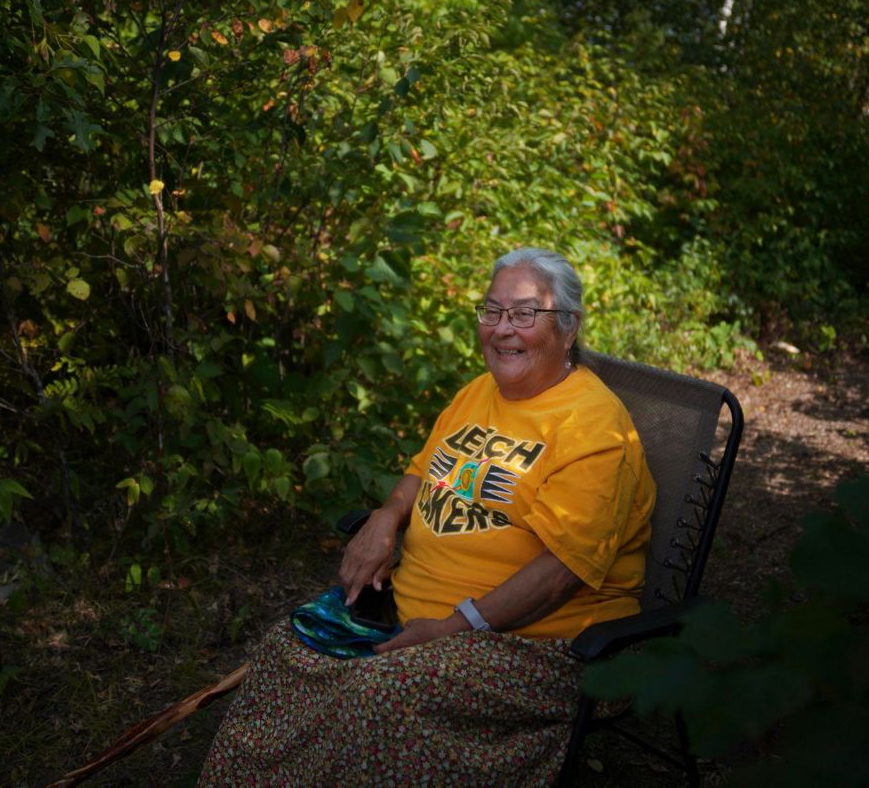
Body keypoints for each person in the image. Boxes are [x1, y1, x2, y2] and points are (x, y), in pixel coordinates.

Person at [200, 247, 656, 784]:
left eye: (525, 314)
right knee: (288, 650)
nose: (503, 329)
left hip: (543, 647)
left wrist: (452, 628)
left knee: (381, 691)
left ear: (569, 328)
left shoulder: (594, 431)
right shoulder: (480, 391)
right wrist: (386, 516)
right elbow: (422, 471)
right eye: (492, 311)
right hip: (414, 618)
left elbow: (560, 574)